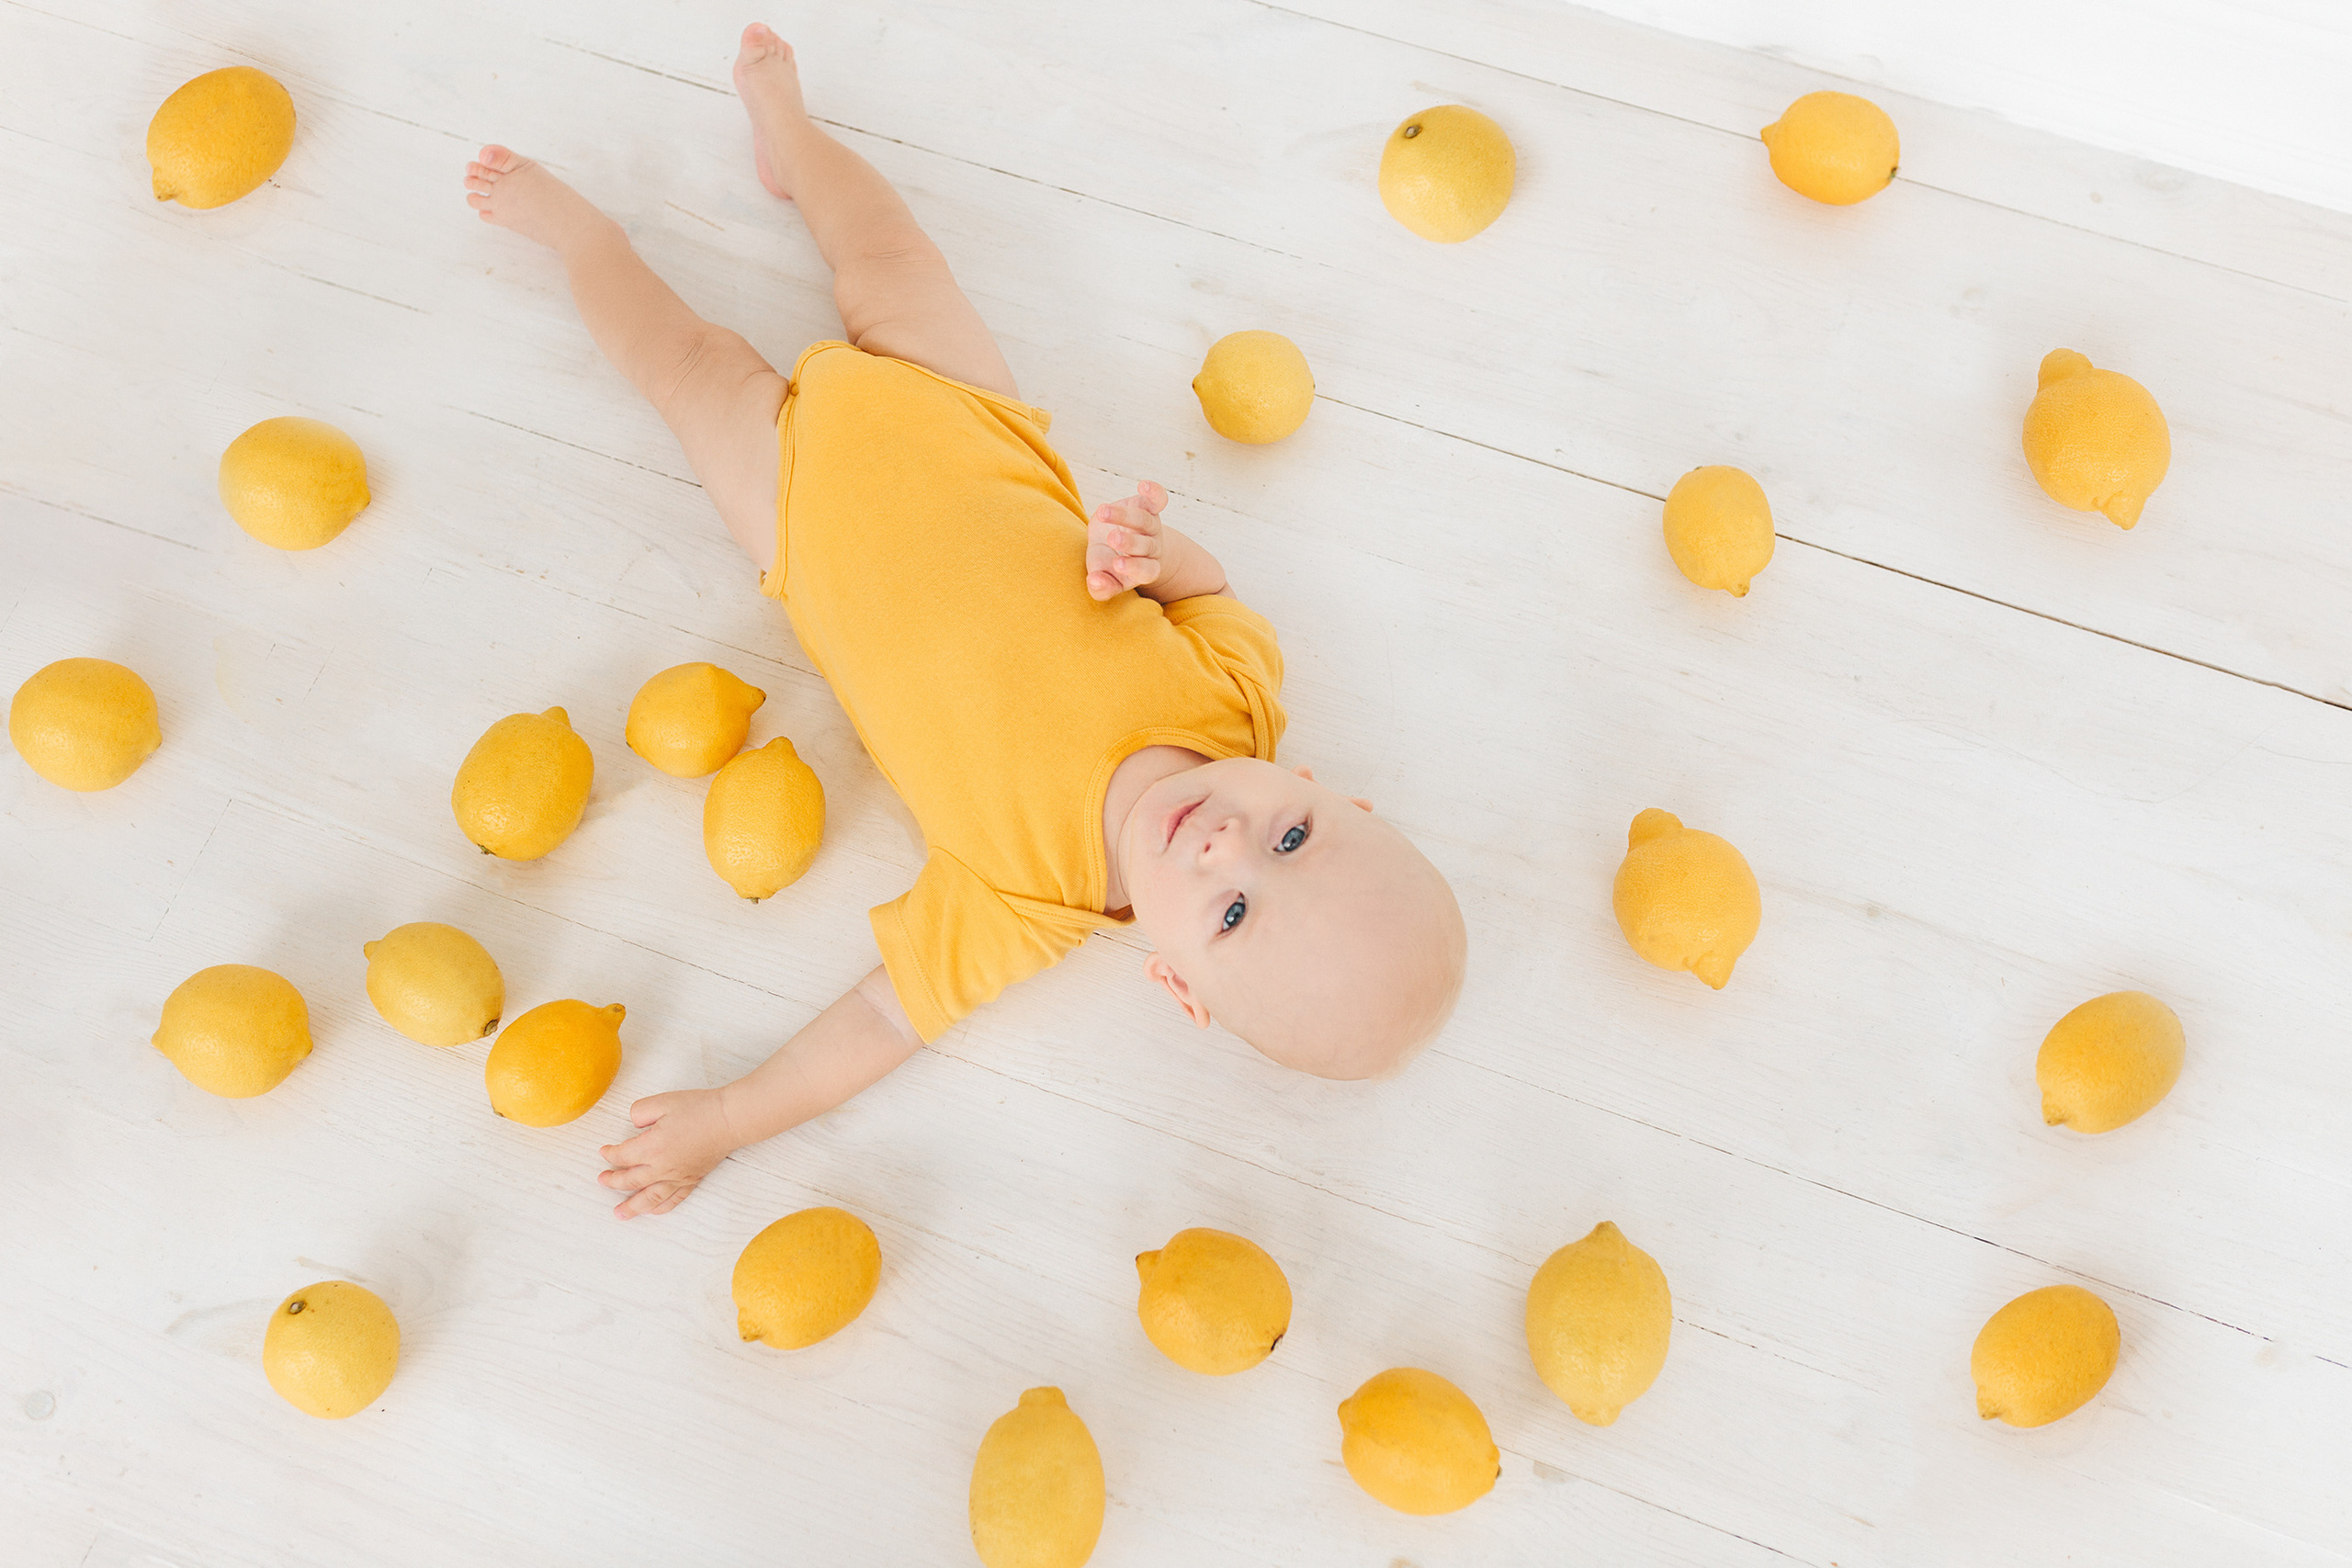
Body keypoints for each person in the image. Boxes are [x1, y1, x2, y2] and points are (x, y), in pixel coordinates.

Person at [461, 24, 1466, 1218]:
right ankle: (794, 142)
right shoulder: (1237, 698)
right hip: (962, 413)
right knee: (885, 251)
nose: (1222, 844)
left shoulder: (1020, 904)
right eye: (1291, 836)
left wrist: (730, 1120)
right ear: (1329, 793)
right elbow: (1208, 591)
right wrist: (1152, 555)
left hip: (798, 516)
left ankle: (585, 242)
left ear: (1178, 980)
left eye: (1234, 909)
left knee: (685, 365)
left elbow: (881, 1019)